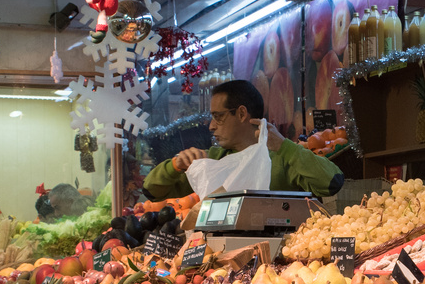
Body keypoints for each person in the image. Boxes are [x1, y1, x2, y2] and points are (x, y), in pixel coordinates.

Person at [143, 79, 344, 200]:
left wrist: (285, 147)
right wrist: (175, 165)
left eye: (218, 116)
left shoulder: (281, 158)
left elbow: (332, 182)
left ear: (241, 114)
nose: (211, 126)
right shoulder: (214, 160)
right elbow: (152, 191)